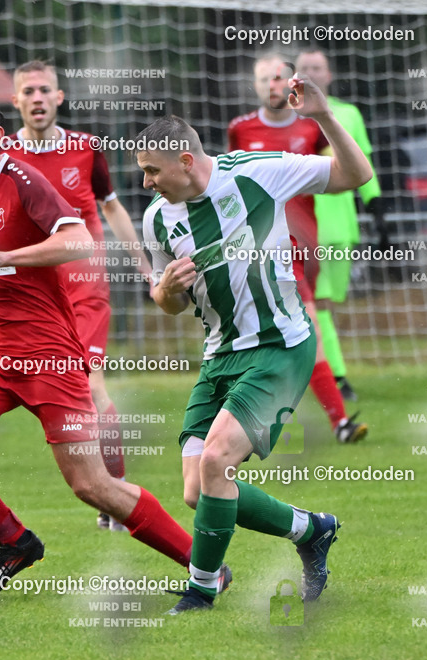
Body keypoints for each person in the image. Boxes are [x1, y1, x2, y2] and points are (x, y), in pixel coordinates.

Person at [0, 90, 230, 597]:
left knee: (91, 487)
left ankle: (203, 564)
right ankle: (14, 542)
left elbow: (78, 240)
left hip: (49, 355)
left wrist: (1, 255)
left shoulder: (24, 181)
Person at [135, 79, 372, 614]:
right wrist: (166, 291)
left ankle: (201, 592)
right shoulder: (158, 219)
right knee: (199, 491)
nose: (146, 183)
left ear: (185, 160)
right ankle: (312, 530)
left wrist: (324, 117)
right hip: (221, 353)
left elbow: (356, 175)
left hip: (281, 345)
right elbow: (164, 299)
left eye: (153, 171)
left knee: (218, 460)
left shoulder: (257, 173)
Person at [4, 60, 153, 532]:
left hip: (86, 289)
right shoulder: (3, 154)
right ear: (16, 101)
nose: (37, 98)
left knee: (91, 385)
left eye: (45, 89)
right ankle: (104, 488)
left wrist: (145, 264)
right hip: (37, 298)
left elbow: (112, 207)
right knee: (61, 395)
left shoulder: (86, 149)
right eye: (28, 91)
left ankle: (119, 490)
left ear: (60, 97)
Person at [227, 52, 366, 444]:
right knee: (260, 334)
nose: (270, 85)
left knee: (307, 326)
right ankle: (324, 421)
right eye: (263, 79)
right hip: (250, 249)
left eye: (278, 78)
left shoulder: (313, 130)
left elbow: (345, 171)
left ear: (292, 83)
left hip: (298, 247)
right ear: (254, 86)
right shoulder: (239, 130)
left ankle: (336, 419)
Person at [295, 47, 386, 401]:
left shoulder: (348, 114)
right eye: (304, 68)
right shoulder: (290, 119)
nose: (312, 73)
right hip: (302, 226)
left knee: (324, 305)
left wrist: (376, 206)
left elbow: (366, 164)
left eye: (317, 67)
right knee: (314, 305)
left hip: (340, 225)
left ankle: (323, 376)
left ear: (329, 75)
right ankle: (336, 378)